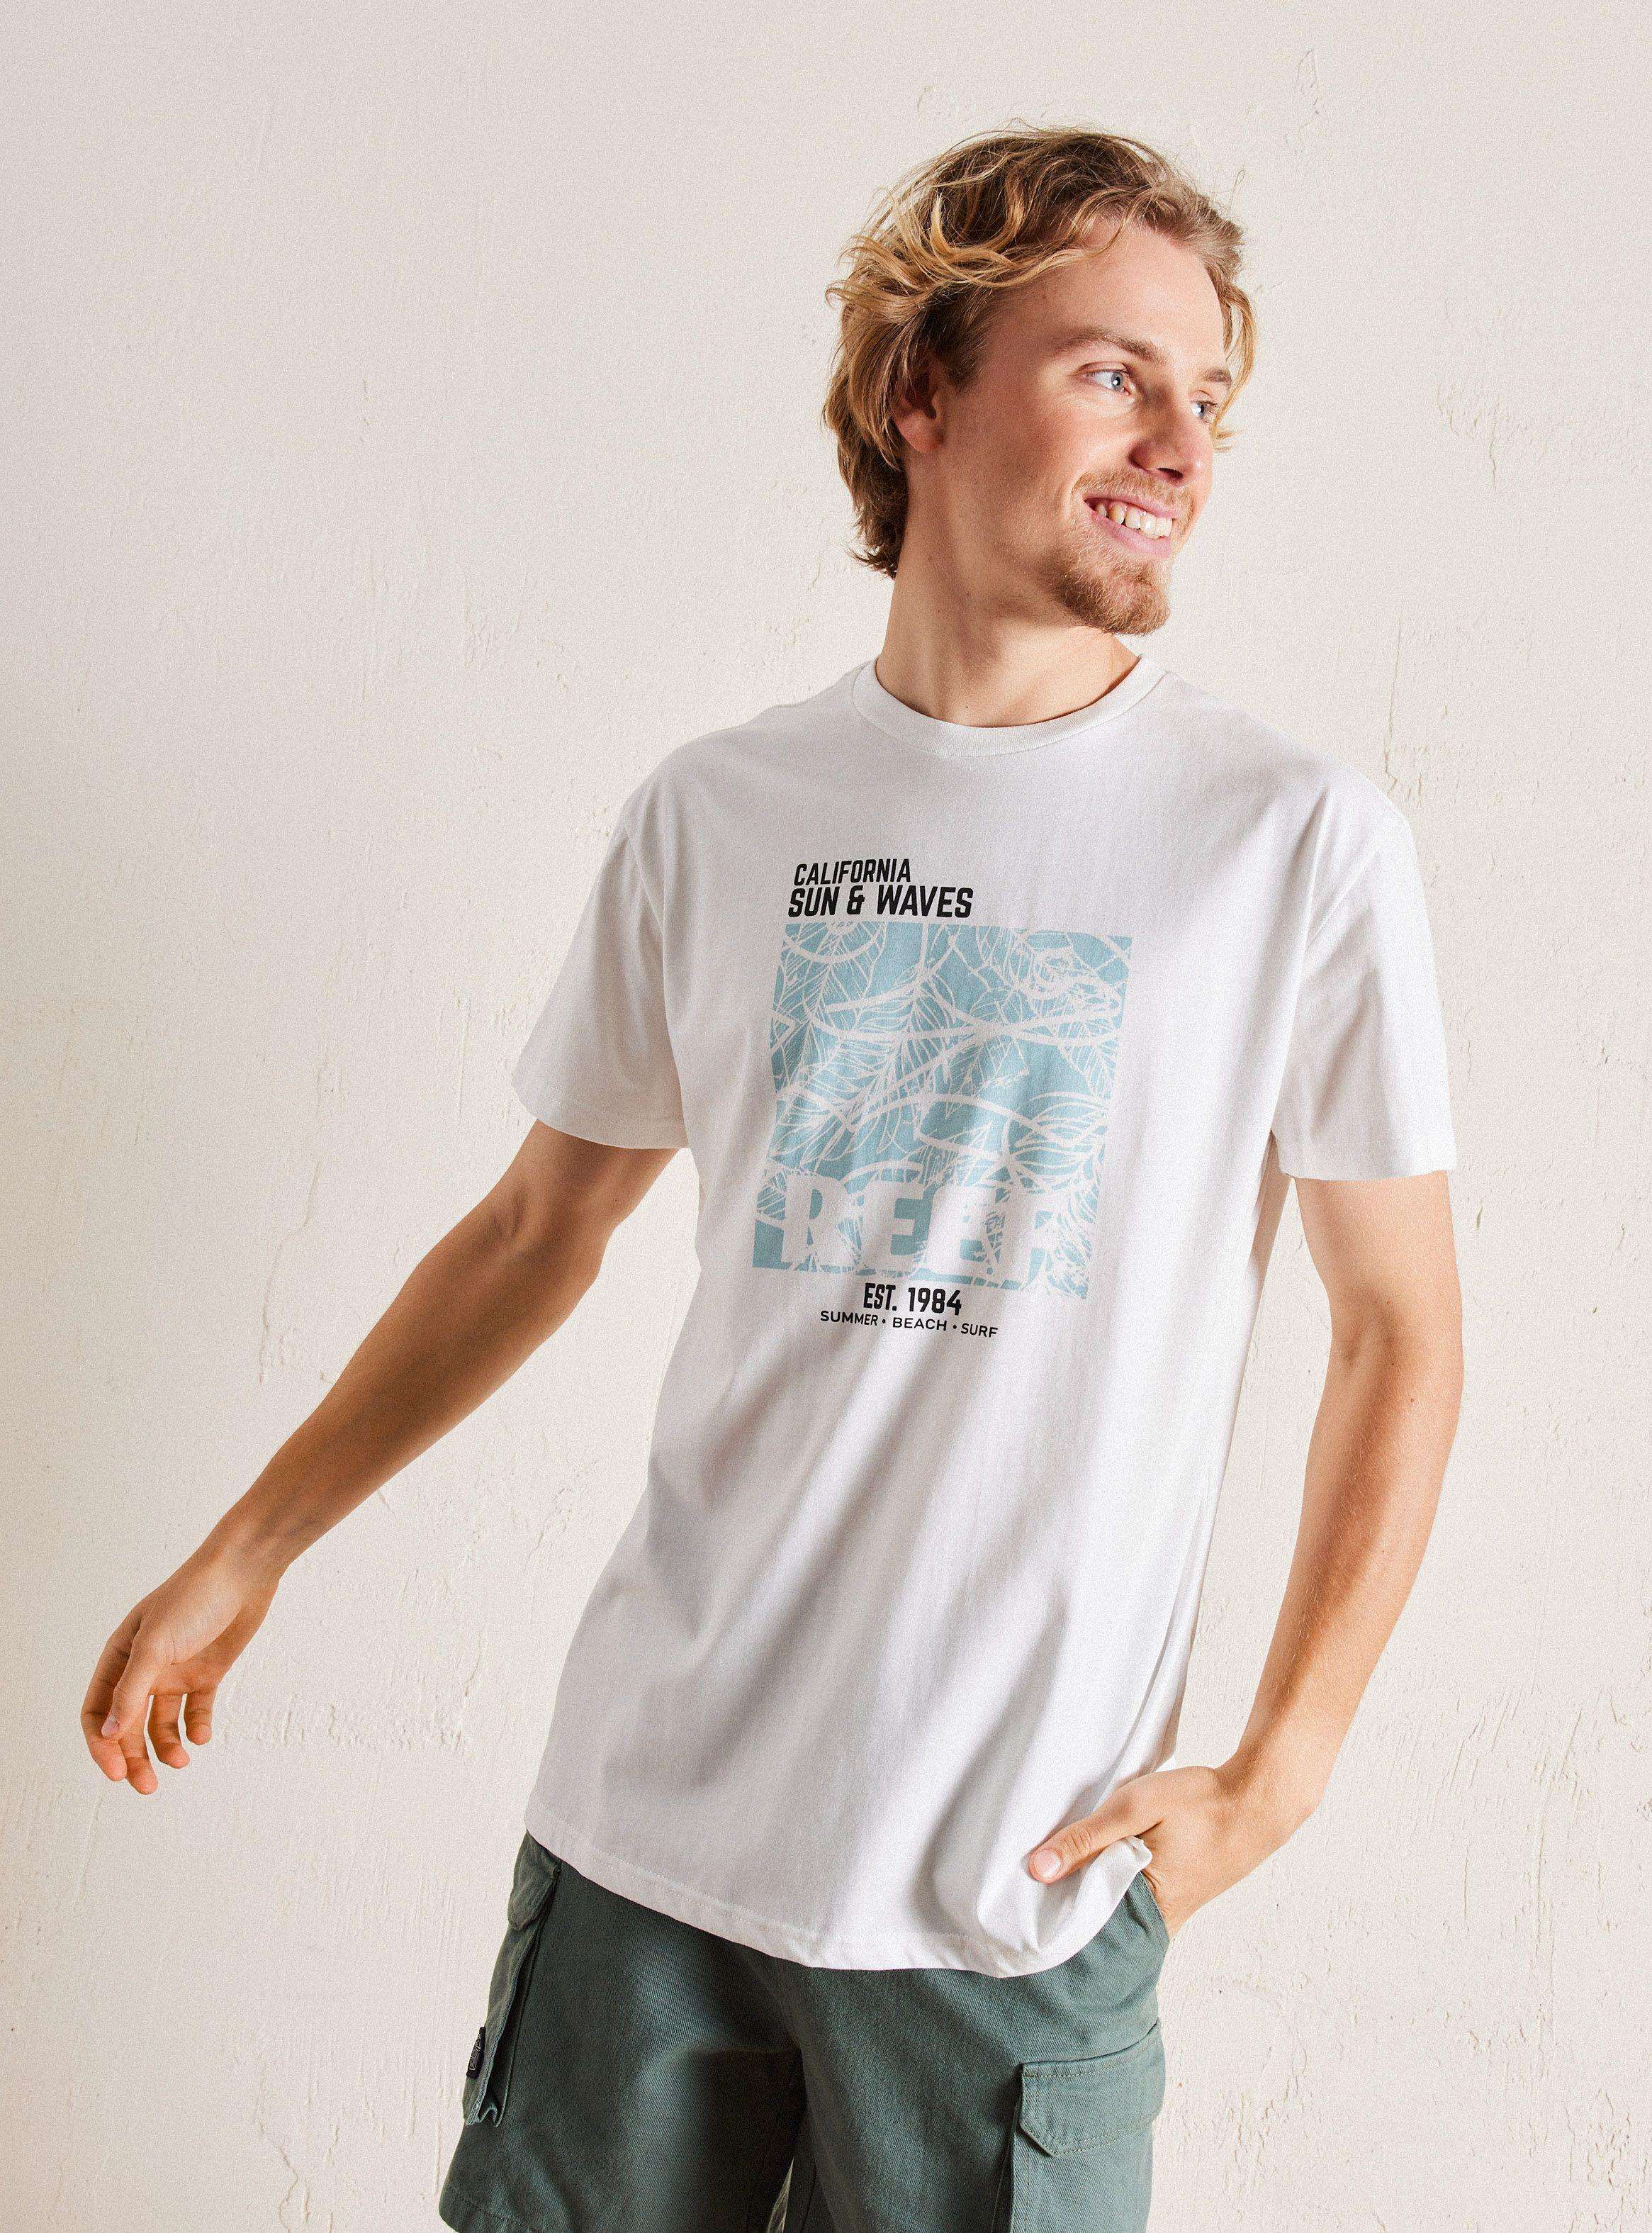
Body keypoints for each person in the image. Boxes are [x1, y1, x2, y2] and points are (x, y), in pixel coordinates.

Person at [82, 125, 1464, 2232]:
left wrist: (1283, 1768)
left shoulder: (1287, 843)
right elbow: (537, 1229)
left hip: (1006, 1890)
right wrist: (248, 1549)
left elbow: (1400, 1327)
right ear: (922, 391)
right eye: (1114, 375)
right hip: (642, 1844)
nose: (1181, 445)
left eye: (1207, 398)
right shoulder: (718, 813)